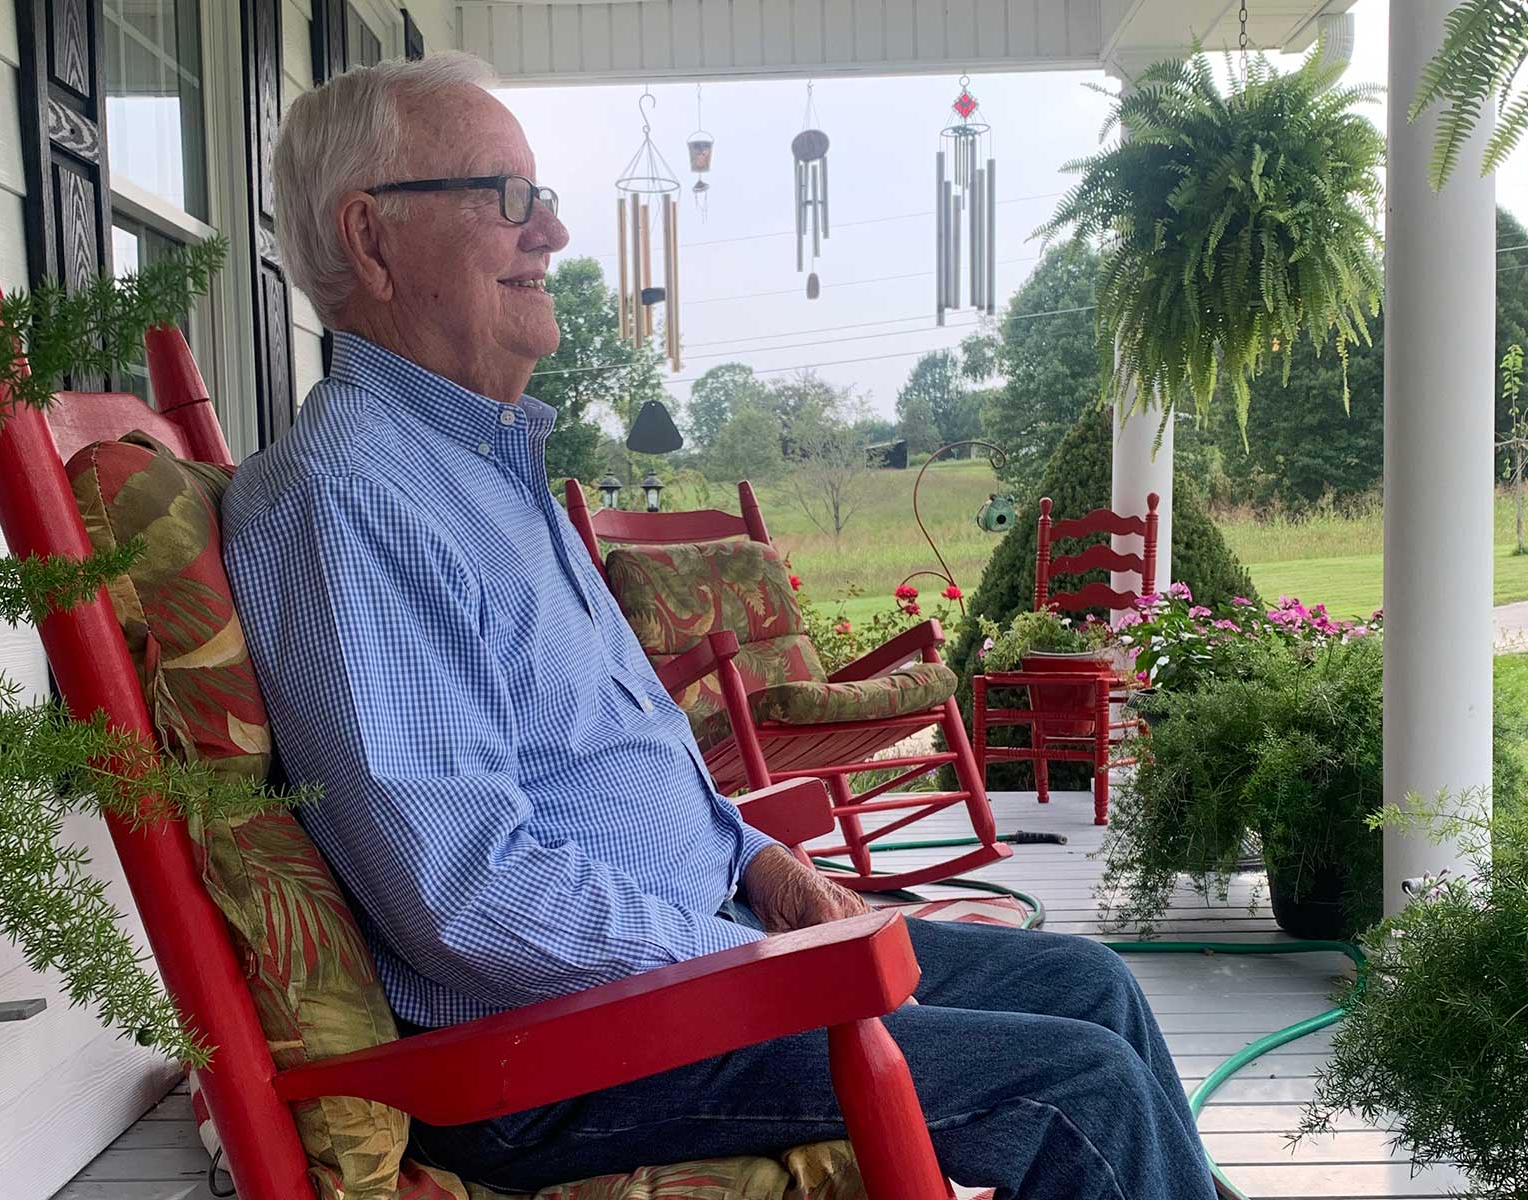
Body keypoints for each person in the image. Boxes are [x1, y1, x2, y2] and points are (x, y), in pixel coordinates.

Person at [221, 51, 1224, 1200]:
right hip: (565, 1049)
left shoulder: (482, 471)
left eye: (542, 194)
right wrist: (757, 963)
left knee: (1097, 987)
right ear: (371, 238)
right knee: (1073, 1087)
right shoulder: (348, 501)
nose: (549, 229)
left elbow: (603, 766)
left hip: (691, 959)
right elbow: (468, 894)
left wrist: (762, 863)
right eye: (506, 196)